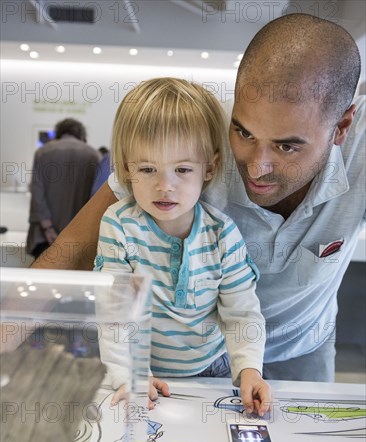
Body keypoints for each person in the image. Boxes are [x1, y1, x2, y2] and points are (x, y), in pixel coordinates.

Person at [31, 15, 364, 389]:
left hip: (302, 347)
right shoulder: (194, 136)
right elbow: (73, 253)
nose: (256, 167)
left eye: (287, 145)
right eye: (243, 132)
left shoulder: (222, 231)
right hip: (202, 359)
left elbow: (241, 305)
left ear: (342, 127)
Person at [94, 78, 271, 415]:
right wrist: (129, 374)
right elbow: (115, 315)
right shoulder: (119, 225)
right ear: (126, 169)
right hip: (144, 371)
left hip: (214, 371)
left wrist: (249, 368)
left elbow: (241, 311)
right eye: (148, 169)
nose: (165, 186)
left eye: (182, 169)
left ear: (209, 168)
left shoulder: (223, 233)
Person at [26, 118, 101, 258]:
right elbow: (97, 197)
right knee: (75, 278)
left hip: (44, 236)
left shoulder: (42, 152)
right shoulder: (93, 155)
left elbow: (36, 192)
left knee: (43, 276)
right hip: (79, 237)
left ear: (59, 133)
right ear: (81, 135)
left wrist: (47, 227)